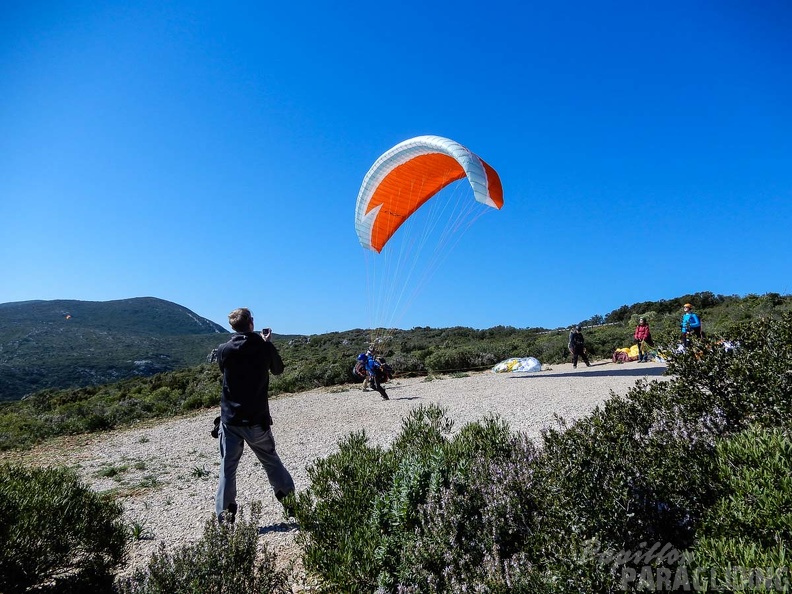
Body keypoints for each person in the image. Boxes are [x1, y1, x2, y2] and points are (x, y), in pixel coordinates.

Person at [214, 307, 295, 525]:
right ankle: (293, 505)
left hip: (230, 420)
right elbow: (278, 369)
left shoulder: (224, 350)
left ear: (233, 326)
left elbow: (225, 369)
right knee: (271, 461)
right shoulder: (263, 347)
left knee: (227, 468)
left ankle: (225, 518)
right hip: (256, 419)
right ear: (251, 322)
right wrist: (267, 343)